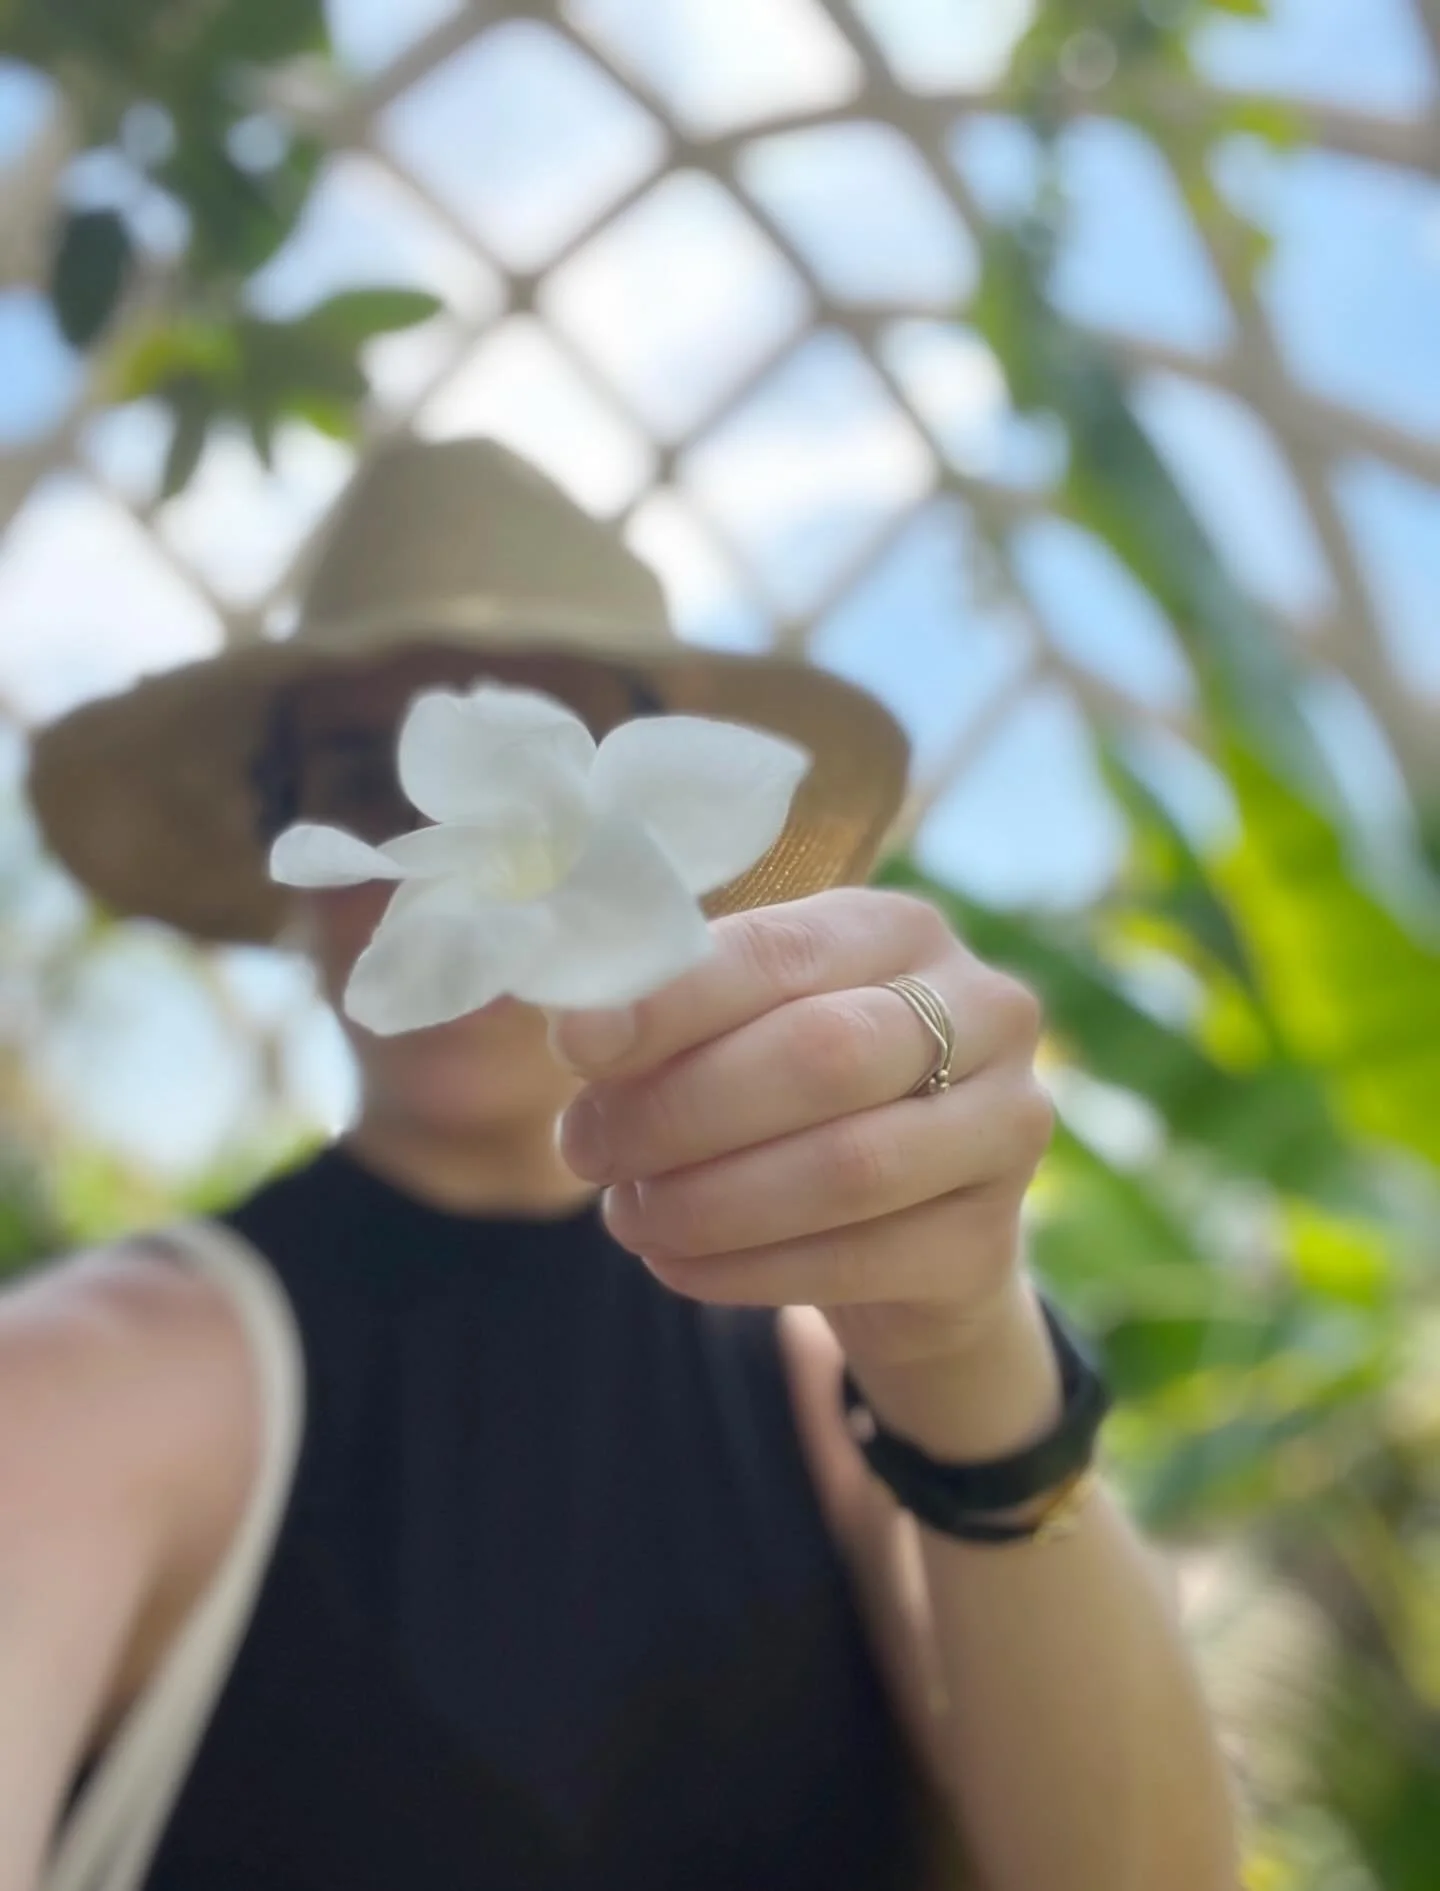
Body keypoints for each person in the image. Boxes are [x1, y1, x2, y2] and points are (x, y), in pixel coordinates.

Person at [5, 437, 1238, 1891]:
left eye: (536, 744)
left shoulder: (810, 1367)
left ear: (673, 836)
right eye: (361, 771)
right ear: (296, 836)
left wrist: (967, 1349)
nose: (430, 837)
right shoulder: (123, 1369)